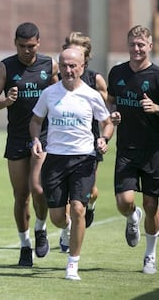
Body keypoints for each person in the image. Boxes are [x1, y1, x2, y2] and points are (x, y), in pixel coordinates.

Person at [30, 48, 113, 280]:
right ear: (59, 66)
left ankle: (72, 264)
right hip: (55, 159)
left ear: (82, 67)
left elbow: (106, 123)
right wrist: (36, 139)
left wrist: (103, 138)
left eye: (73, 66)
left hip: (83, 158)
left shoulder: (92, 95)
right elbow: (36, 120)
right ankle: (65, 230)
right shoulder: (49, 93)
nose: (68, 70)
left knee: (78, 209)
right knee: (57, 217)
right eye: (64, 65)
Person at [0, 22, 59, 267]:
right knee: (21, 195)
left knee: (38, 187)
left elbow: (59, 95)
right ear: (15, 43)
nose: (27, 51)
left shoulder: (49, 65)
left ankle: (41, 228)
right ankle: (24, 246)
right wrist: (6, 101)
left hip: (43, 135)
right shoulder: (5, 67)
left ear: (38, 43)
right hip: (17, 137)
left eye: (31, 46)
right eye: (22, 46)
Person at [107, 25, 159, 275]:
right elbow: (111, 100)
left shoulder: (157, 75)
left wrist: (157, 108)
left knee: (152, 205)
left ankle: (150, 256)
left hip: (154, 151)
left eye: (141, 44)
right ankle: (131, 217)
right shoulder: (117, 72)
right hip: (126, 148)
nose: (136, 49)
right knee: (124, 202)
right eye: (132, 44)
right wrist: (112, 114)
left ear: (150, 45)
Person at [61, 32, 108, 235]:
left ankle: (90, 204)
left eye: (77, 52)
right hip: (62, 140)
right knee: (64, 192)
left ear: (85, 58)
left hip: (88, 141)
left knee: (89, 192)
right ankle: (66, 230)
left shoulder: (94, 79)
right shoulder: (60, 75)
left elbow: (106, 103)